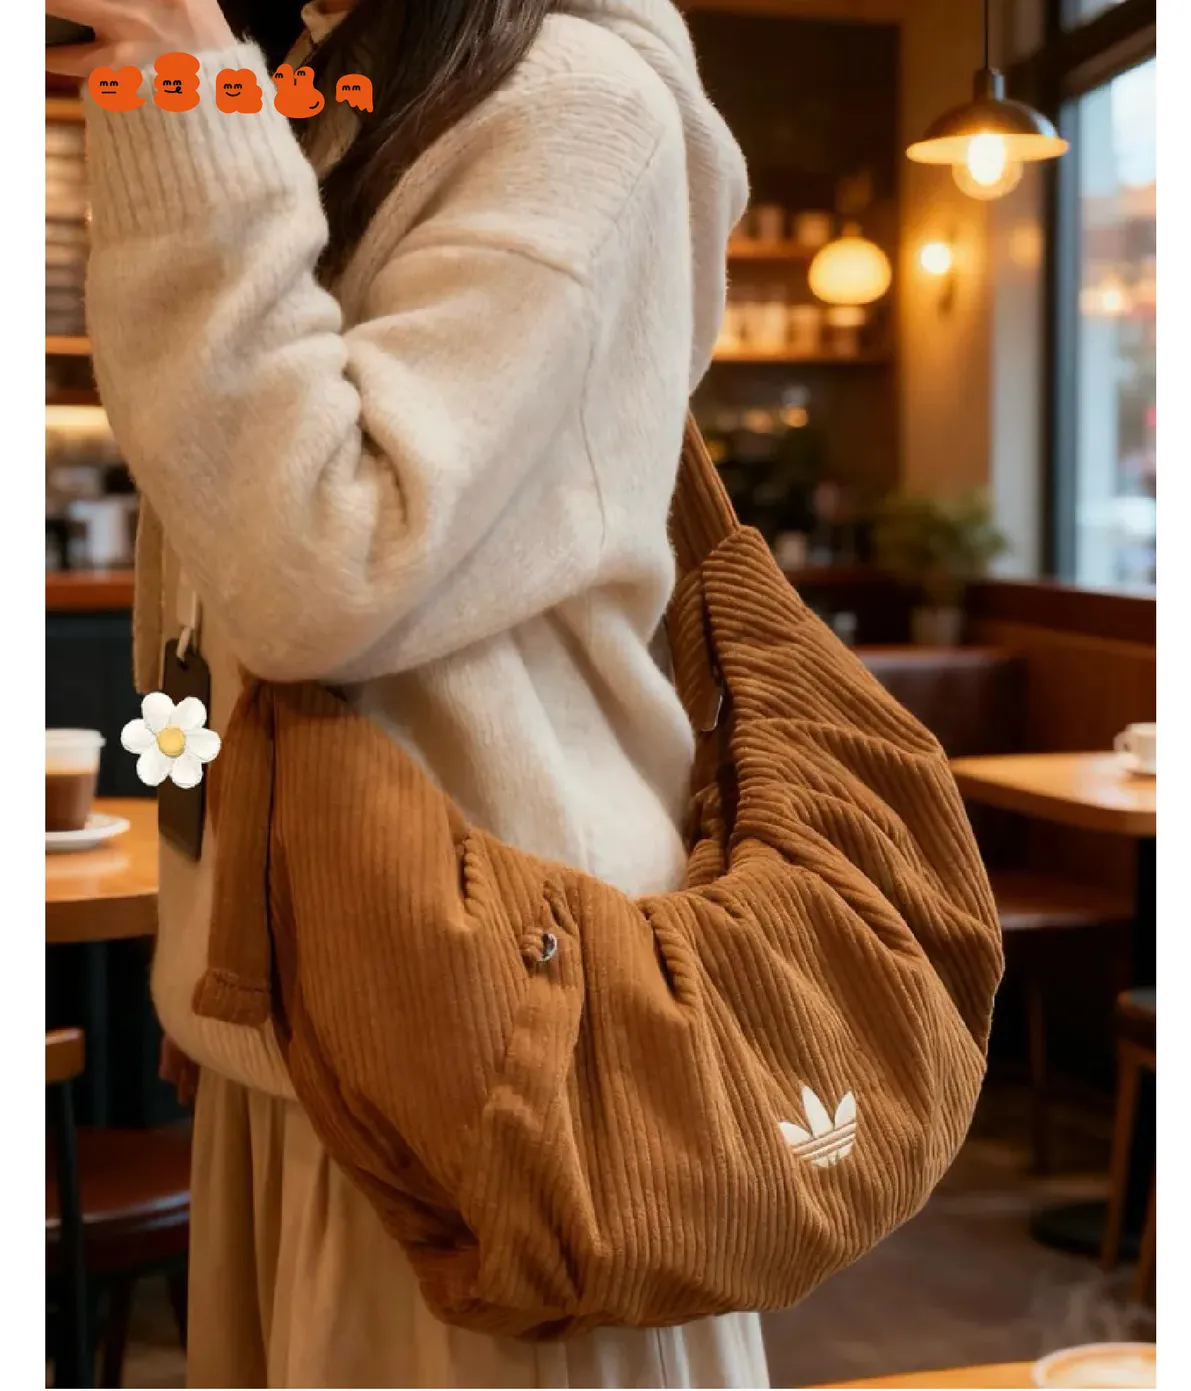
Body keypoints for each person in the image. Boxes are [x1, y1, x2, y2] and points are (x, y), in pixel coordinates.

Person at [48, 0, 764, 1385]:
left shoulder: (578, 98)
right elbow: (212, 583)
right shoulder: (338, 85)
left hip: (486, 1042)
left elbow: (319, 563)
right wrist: (221, 945)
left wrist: (184, 93)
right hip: (319, 1039)